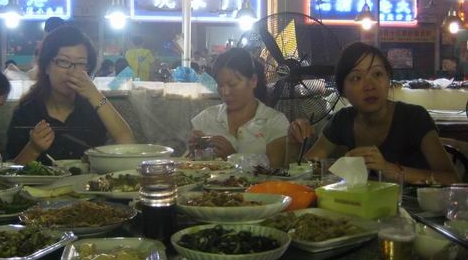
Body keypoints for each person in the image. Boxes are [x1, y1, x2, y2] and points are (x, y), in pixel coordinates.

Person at [287, 42, 460, 184]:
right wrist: (294, 142)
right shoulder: (342, 120)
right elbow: (305, 168)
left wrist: (389, 169)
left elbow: (451, 178)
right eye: (356, 78)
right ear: (343, 91)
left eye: (377, 74)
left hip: (412, 213)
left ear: (388, 79)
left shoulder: (414, 118)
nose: (370, 85)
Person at [7, 26, 134, 163]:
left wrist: (95, 94)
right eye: (63, 61)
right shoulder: (27, 111)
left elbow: (127, 143)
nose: (72, 71)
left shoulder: (93, 106)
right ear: (46, 66)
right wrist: (33, 149)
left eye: (80, 64)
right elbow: (10, 169)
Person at [189, 47, 289, 168]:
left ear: (253, 81)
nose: (225, 92)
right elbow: (191, 168)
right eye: (220, 85)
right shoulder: (206, 119)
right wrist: (194, 154)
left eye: (232, 85)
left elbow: (275, 170)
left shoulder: (275, 122)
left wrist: (233, 157)